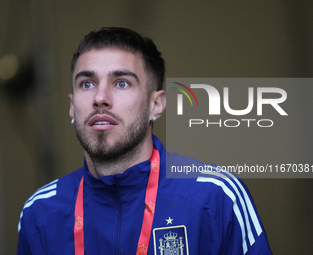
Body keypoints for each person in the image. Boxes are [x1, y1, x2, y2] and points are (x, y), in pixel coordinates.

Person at [17, 27, 272, 255]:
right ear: (72, 107)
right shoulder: (40, 212)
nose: (100, 97)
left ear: (156, 105)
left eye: (122, 83)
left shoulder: (216, 196)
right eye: (87, 84)